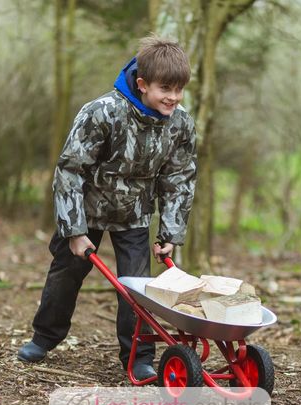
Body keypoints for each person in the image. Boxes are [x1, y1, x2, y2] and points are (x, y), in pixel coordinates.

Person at [18, 36, 197, 381]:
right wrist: (75, 231)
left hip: (134, 214)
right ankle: (43, 338)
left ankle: (139, 356)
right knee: (66, 275)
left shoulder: (180, 123)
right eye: (165, 89)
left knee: (138, 287)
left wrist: (170, 233)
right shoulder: (101, 112)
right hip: (85, 211)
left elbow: (180, 178)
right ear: (143, 84)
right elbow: (70, 169)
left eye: (179, 90)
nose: (173, 98)